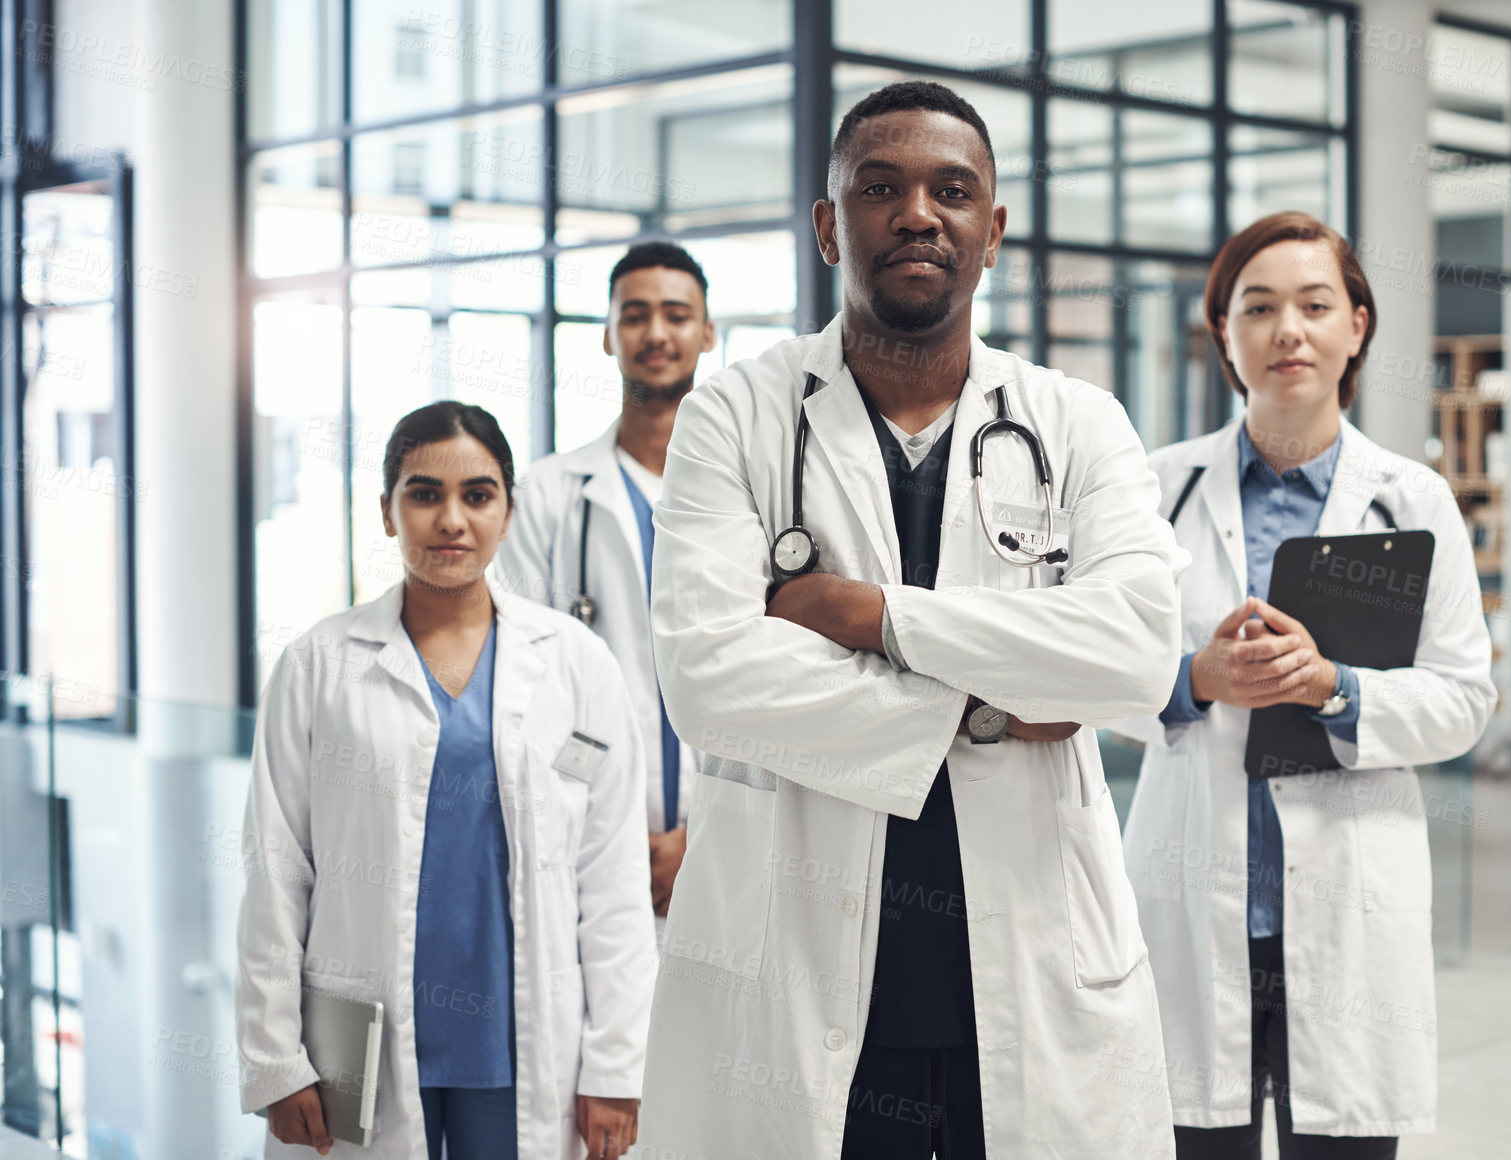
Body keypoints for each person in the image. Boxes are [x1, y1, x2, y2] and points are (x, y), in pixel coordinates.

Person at [635, 81, 1187, 1159]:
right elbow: (709, 679)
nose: (918, 212)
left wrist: (870, 613)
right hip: (797, 973)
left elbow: (1132, 656)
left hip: (1024, 977)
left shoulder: (1078, 424)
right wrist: (991, 702)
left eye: (953, 189)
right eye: (879, 187)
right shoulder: (737, 416)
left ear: (994, 232)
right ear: (831, 225)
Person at [1122, 212, 1496, 1158]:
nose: (1289, 329)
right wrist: (1194, 678)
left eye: (1315, 304)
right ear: (1225, 336)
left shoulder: (1413, 502)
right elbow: (1094, 674)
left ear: (1356, 327)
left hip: (1347, 903)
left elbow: (1462, 698)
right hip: (1194, 894)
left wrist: (1338, 688)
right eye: (1259, 307)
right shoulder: (1153, 491)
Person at [235, 402, 657, 1159]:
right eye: (424, 494)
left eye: (478, 495)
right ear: (388, 512)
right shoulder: (319, 665)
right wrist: (274, 1057)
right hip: (356, 1034)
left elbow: (614, 881)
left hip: (525, 1040)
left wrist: (617, 1064)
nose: (451, 519)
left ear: (509, 510)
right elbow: (275, 870)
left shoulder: (576, 662)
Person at [495, 243, 713, 928]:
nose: (656, 334)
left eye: (676, 315)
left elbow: (777, 680)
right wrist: (615, 828)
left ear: (707, 333)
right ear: (608, 333)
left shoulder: (753, 493)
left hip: (728, 838)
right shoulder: (549, 496)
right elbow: (526, 685)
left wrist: (700, 835)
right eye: (636, 315)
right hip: (589, 836)